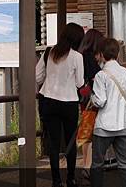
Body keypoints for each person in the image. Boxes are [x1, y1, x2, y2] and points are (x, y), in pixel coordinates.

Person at [36, 22, 85, 187]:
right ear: (77, 39)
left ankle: (56, 181)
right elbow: (79, 83)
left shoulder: (49, 51)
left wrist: (50, 80)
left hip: (49, 100)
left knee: (54, 143)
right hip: (69, 103)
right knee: (70, 141)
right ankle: (70, 178)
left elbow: (38, 77)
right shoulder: (77, 57)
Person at [91, 38, 126, 187]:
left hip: (104, 127)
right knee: (125, 163)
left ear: (102, 55)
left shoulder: (101, 75)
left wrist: (92, 97)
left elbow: (100, 101)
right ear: (117, 54)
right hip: (124, 124)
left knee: (97, 164)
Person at [77, 29, 105, 170]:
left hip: (83, 99)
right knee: (92, 133)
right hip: (91, 100)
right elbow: (97, 77)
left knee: (86, 133)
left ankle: (85, 163)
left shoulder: (80, 55)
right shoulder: (89, 57)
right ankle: (88, 166)